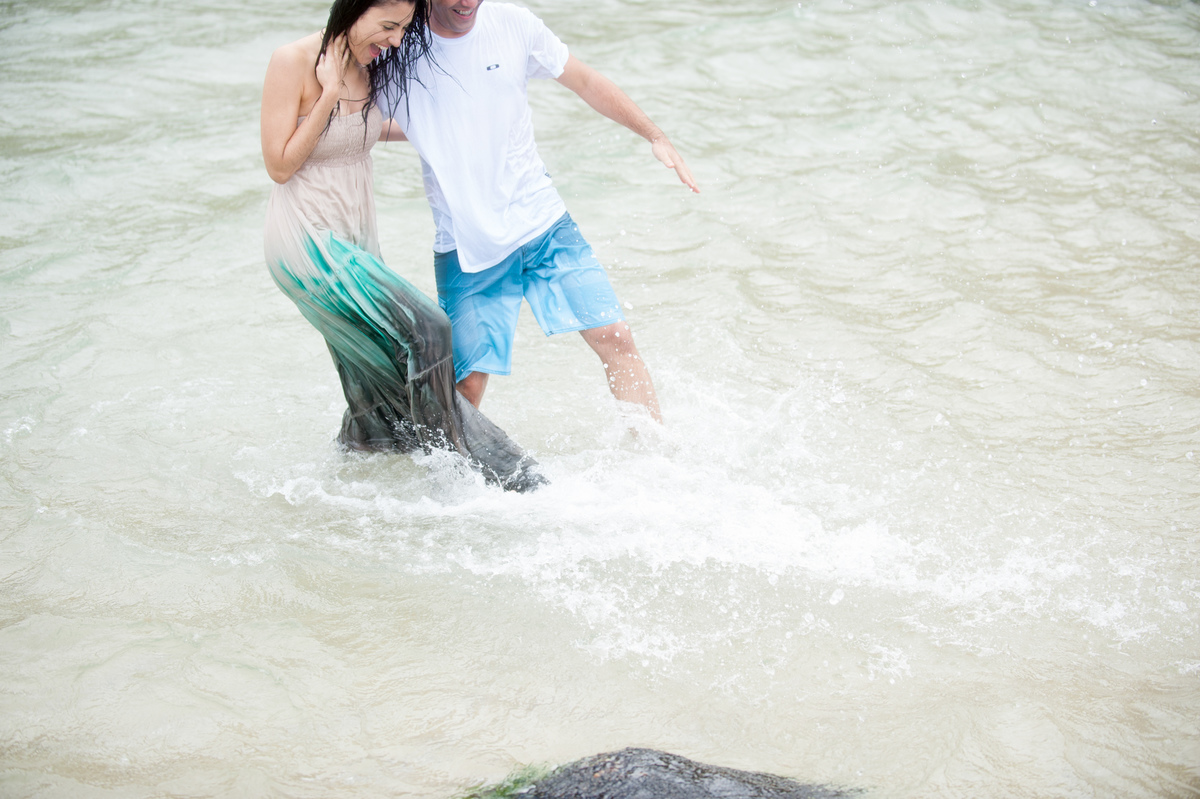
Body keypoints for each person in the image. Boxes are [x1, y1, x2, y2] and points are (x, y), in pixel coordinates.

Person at [260, 0, 545, 491]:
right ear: (355, 8)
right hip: (307, 241)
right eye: (388, 26)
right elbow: (279, 165)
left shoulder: (371, 65)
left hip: (354, 236)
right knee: (428, 329)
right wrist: (329, 95)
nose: (394, 41)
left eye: (403, 29)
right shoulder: (294, 61)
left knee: (372, 382)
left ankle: (352, 484)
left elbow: (369, 130)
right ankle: (459, 472)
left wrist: (462, 124)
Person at [384, 0, 698, 424]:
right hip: (468, 243)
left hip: (543, 222)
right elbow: (358, 114)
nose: (467, 2)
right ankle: (433, 464)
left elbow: (584, 80)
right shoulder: (398, 45)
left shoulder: (513, 23)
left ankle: (653, 454)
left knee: (615, 336)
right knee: (468, 384)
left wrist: (653, 134)